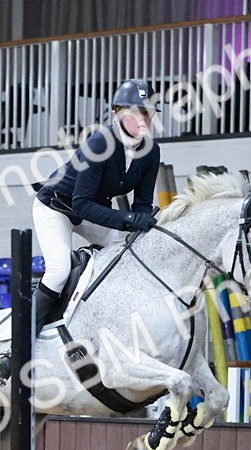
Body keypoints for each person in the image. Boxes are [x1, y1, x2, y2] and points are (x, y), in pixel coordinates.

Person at [30, 78, 162, 336]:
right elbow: (80, 204)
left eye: (148, 112)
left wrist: (142, 227)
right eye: (135, 112)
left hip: (92, 211)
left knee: (131, 256)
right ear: (116, 112)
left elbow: (143, 204)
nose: (143, 118)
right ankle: (19, 345)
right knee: (58, 271)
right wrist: (131, 219)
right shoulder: (99, 143)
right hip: (56, 207)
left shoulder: (151, 151)